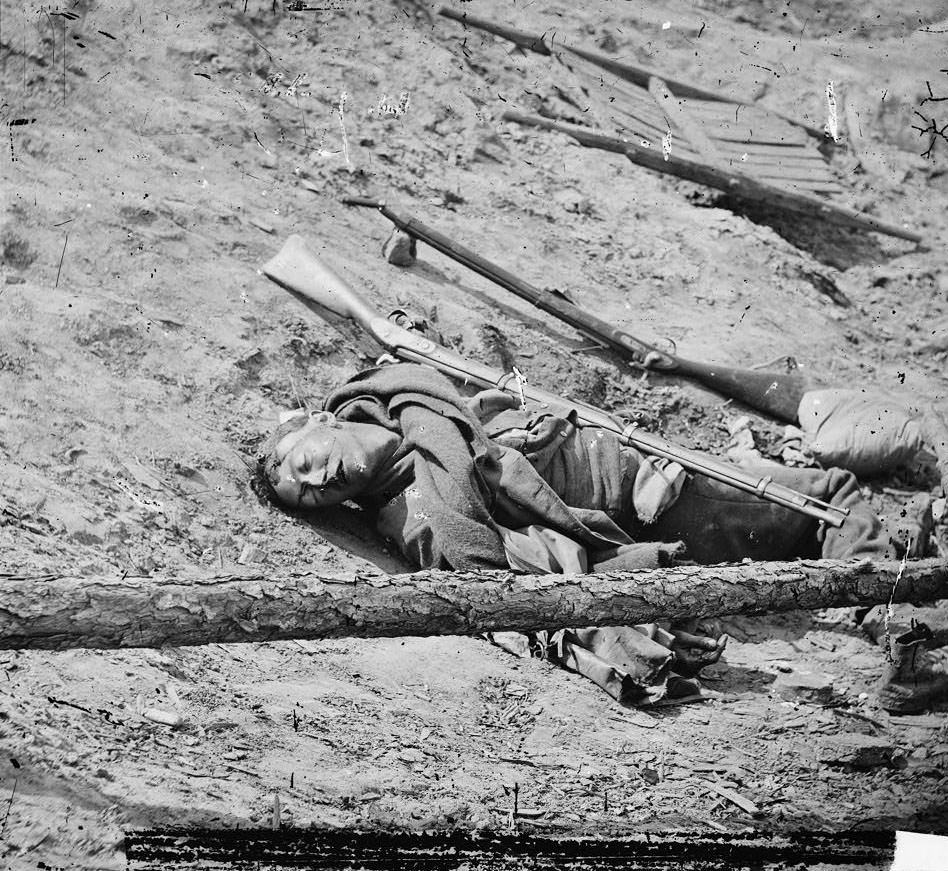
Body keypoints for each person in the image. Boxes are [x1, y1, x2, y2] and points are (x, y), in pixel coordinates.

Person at [256, 362, 936, 708]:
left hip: (615, 445)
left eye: (301, 463)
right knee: (828, 503)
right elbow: (486, 569)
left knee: (810, 494)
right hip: (634, 500)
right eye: (309, 495)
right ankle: (910, 642)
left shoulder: (390, 384)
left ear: (315, 418)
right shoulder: (416, 510)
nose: (318, 482)